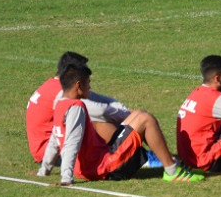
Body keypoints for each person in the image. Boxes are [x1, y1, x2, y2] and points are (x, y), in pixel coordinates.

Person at [37, 63, 203, 183]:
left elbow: (55, 139)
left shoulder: (60, 104)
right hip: (105, 167)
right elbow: (71, 143)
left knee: (139, 115)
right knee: (146, 120)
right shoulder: (76, 107)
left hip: (95, 164)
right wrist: (66, 178)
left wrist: (44, 170)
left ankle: (173, 164)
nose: (90, 86)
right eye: (88, 83)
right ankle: (173, 171)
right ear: (78, 85)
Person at [26, 51, 132, 164]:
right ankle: (127, 155)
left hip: (47, 150)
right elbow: (99, 111)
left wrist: (125, 111)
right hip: (52, 155)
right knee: (97, 122)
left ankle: (130, 152)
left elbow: (100, 99)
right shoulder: (62, 91)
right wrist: (129, 116)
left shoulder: (57, 85)